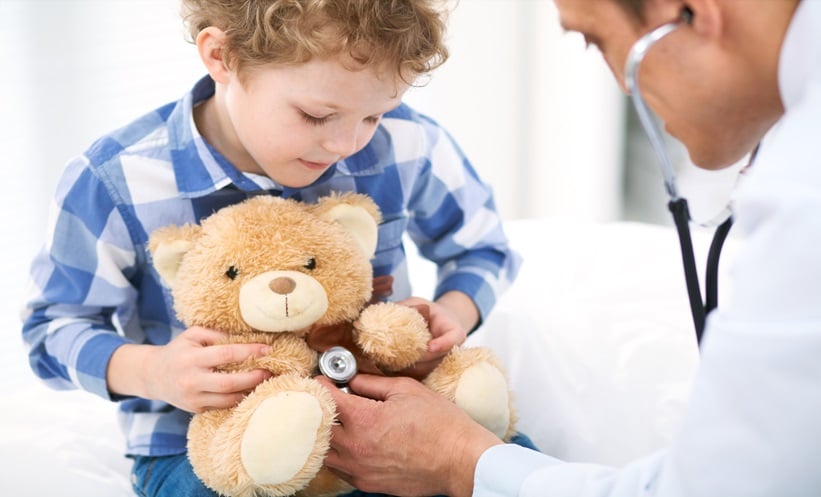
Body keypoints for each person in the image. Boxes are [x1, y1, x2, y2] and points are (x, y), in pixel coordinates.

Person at [20, 1, 529, 496]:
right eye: (315, 115)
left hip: (385, 411)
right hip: (208, 445)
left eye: (374, 116)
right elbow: (53, 327)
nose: (346, 145)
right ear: (222, 56)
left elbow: (482, 248)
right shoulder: (116, 179)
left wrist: (451, 312)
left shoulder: (406, 139)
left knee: (517, 474)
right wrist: (152, 372)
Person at [320, 0, 821, 496]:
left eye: (597, 40)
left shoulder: (804, 198)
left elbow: (714, 486)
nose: (624, 85)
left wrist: (457, 457)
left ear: (691, 13)